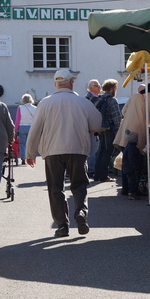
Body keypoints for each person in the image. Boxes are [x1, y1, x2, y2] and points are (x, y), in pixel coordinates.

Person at [24, 69, 102, 238]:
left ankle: (62, 226)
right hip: (77, 149)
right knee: (79, 185)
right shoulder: (83, 102)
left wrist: (30, 153)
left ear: (55, 84)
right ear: (71, 83)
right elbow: (97, 125)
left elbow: (35, 129)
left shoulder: (45, 103)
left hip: (52, 151)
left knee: (56, 188)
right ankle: (81, 212)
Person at [114, 83, 150, 160]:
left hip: (125, 132)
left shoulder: (134, 96)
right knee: (135, 160)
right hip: (137, 134)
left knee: (126, 159)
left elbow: (123, 112)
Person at [92, 79, 122, 182]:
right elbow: (117, 117)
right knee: (107, 153)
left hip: (101, 129)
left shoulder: (100, 98)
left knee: (101, 152)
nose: (116, 90)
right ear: (112, 88)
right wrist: (118, 130)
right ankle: (103, 176)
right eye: (115, 88)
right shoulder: (112, 100)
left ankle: (97, 175)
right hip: (110, 129)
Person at [119, 129, 144, 200]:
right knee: (132, 181)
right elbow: (132, 160)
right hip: (131, 168)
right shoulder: (132, 149)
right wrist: (136, 168)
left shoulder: (128, 147)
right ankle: (132, 193)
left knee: (130, 181)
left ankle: (130, 191)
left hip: (127, 167)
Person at [85, 79, 102, 178]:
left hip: (92, 127)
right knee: (92, 150)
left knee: (93, 149)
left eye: (99, 85)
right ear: (91, 88)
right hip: (91, 128)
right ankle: (90, 170)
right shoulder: (90, 98)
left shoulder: (95, 97)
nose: (100, 87)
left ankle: (90, 169)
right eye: (97, 85)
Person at [15, 94, 37, 164]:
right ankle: (31, 157)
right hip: (31, 127)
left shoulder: (20, 108)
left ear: (23, 100)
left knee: (22, 143)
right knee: (31, 143)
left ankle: (23, 158)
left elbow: (18, 119)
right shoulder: (35, 108)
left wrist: (16, 129)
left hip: (22, 127)